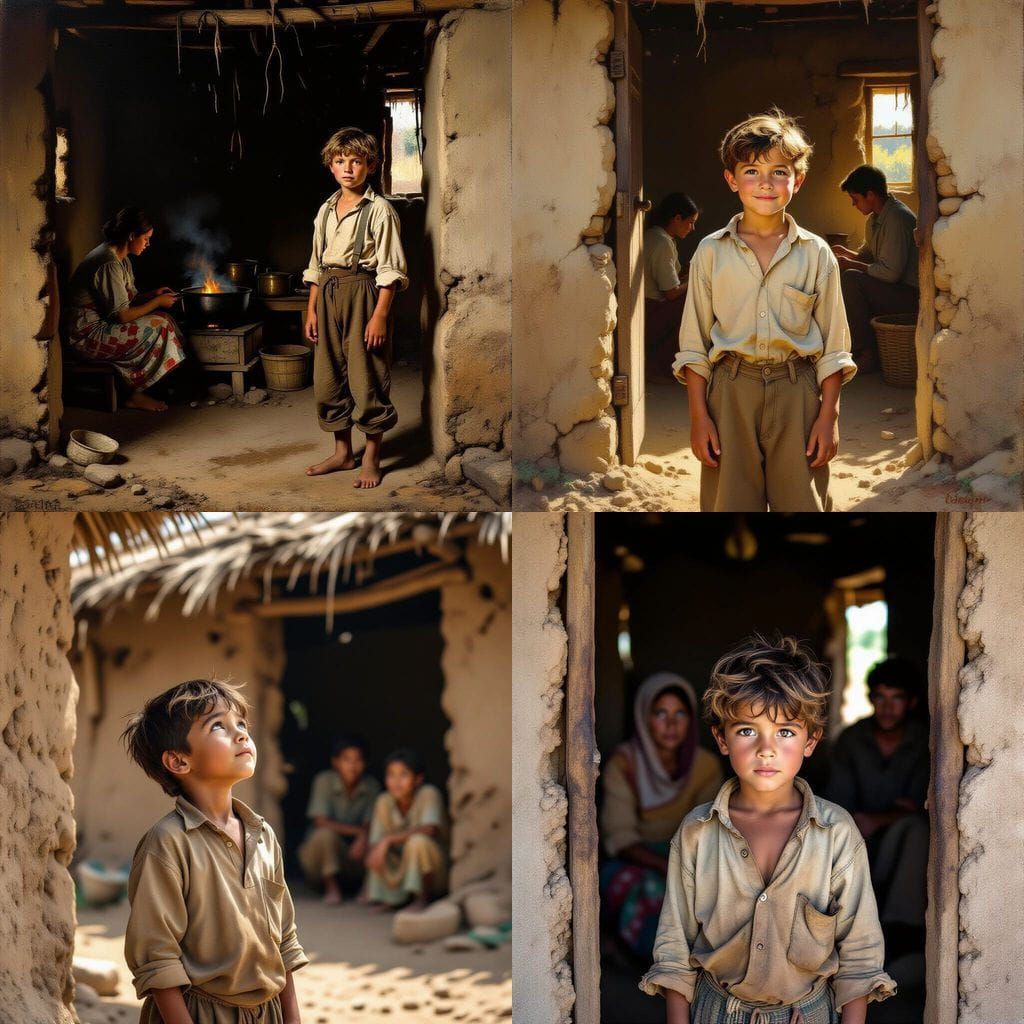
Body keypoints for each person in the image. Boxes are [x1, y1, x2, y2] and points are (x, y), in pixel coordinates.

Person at [640, 634, 896, 1024]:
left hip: (808, 1013)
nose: (766, 749)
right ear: (721, 738)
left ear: (811, 740)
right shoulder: (697, 833)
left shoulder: (836, 833)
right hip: (716, 1012)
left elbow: (859, 956)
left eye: (785, 732)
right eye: (747, 730)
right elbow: (674, 949)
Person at [674, 109, 856, 513]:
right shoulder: (710, 252)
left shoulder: (816, 254)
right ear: (731, 179)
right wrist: (699, 417)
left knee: (804, 502)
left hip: (798, 392)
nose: (766, 183)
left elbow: (835, 346)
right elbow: (693, 344)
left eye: (779, 172)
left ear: (798, 180)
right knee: (730, 503)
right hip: (730, 391)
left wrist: (828, 417)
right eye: (752, 171)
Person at [121, 679, 307, 1024]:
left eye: (242, 724)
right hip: (199, 1013)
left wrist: (292, 1019)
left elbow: (283, 943)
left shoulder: (263, 835)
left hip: (268, 1013)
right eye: (218, 726)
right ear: (178, 761)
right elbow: (158, 961)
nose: (241, 735)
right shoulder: (168, 842)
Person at [302, 127, 409, 488]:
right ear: (330, 166)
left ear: (371, 165)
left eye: (356, 161)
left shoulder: (380, 211)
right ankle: (343, 453)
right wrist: (312, 310)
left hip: (363, 293)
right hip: (328, 294)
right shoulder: (325, 210)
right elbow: (315, 265)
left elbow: (391, 269)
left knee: (367, 378)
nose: (347, 168)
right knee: (328, 378)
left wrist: (379, 315)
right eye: (340, 161)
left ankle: (372, 458)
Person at [599, 672, 723, 960]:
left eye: (680, 713)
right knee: (632, 884)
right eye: (660, 713)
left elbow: (706, 832)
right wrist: (664, 867)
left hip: (688, 859)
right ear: (643, 717)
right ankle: (649, 960)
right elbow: (620, 836)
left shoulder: (705, 767)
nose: (671, 724)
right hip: (637, 858)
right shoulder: (624, 764)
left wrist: (681, 867)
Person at [826, 658, 929, 960]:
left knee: (915, 829)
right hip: (858, 838)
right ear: (870, 698)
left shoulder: (925, 740)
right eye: (880, 697)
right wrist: (886, 815)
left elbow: (923, 808)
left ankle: (899, 932)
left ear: (911, 702)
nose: (887, 708)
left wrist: (881, 818)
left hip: (905, 844)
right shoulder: (852, 739)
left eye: (896, 698)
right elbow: (839, 803)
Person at [65, 207, 189, 412]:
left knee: (164, 319)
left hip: (103, 324)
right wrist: (158, 302)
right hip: (85, 336)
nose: (148, 244)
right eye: (146, 239)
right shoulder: (108, 263)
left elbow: (126, 300)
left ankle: (155, 385)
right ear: (131, 236)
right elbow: (122, 315)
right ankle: (134, 395)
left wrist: (152, 295)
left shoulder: (122, 259)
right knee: (160, 324)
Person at [831, 166, 919, 372]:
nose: (853, 205)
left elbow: (890, 273)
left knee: (851, 278)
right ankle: (848, 347)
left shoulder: (897, 218)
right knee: (843, 273)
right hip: (892, 289)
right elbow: (867, 256)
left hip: (909, 295)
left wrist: (851, 264)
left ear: (870, 195)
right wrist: (845, 254)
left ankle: (867, 354)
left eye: (855, 199)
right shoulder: (874, 220)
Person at [297, 736, 381, 905]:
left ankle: (368, 888)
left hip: (352, 858)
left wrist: (364, 835)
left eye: (358, 760)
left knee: (377, 835)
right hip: (318, 860)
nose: (352, 766)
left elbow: (372, 823)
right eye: (347, 760)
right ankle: (331, 887)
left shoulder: (371, 786)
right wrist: (360, 832)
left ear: (365, 763)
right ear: (335, 762)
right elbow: (320, 821)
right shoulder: (324, 781)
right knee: (325, 835)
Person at [364, 747, 448, 911]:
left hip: (435, 869)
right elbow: (375, 842)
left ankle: (421, 897)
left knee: (418, 842)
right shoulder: (384, 801)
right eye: (391, 775)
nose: (396, 781)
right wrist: (379, 848)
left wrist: (389, 840)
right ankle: (391, 898)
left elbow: (430, 830)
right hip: (402, 864)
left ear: (418, 779)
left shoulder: (428, 794)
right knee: (379, 850)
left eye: (403, 775)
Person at [645, 194, 700, 381]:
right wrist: (696, 279)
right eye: (690, 222)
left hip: (651, 308)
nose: (692, 228)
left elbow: (672, 280)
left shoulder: (658, 236)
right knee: (696, 298)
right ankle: (660, 367)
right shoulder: (661, 241)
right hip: (650, 311)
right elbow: (671, 293)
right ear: (677, 218)